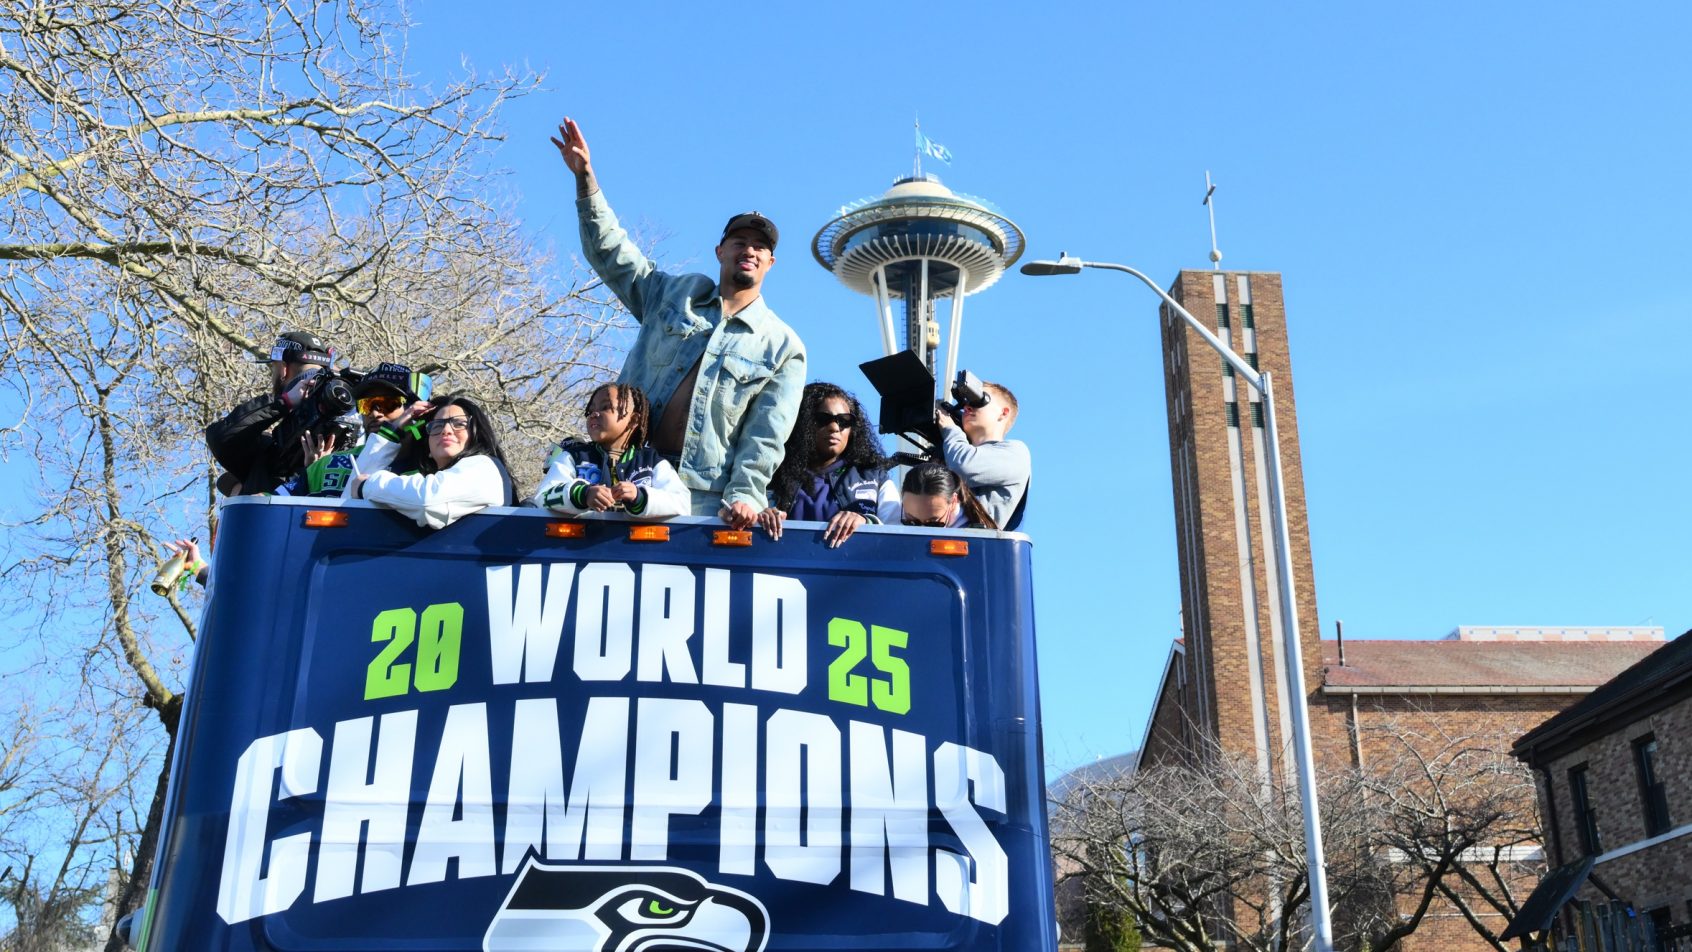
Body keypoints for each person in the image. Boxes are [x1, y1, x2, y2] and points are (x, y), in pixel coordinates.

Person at [552, 117, 805, 530]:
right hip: (623, 478)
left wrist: (744, 495)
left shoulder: (783, 346)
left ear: (771, 263)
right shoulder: (672, 294)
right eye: (740, 242)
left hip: (702, 501)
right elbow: (611, 253)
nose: (750, 250)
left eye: (761, 247)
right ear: (720, 251)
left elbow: (765, 437)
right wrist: (585, 180)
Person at [757, 382, 898, 547]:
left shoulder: (876, 477)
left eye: (844, 421)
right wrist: (759, 516)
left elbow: (899, 534)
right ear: (802, 422)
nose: (834, 428)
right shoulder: (770, 473)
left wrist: (866, 521)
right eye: (823, 419)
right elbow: (741, 512)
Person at [345, 395, 514, 529]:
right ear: (427, 444)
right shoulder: (421, 487)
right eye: (437, 426)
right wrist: (395, 427)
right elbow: (351, 496)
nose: (446, 430)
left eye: (459, 424)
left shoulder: (484, 468)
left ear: (476, 434)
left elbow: (428, 500)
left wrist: (367, 485)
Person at [205, 331, 341, 495]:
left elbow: (221, 436)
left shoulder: (263, 455)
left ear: (283, 369)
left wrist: (283, 402)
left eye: (273, 367)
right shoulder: (272, 446)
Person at [531, 383, 690, 519]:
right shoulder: (574, 456)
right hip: (579, 548)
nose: (594, 413)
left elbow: (682, 504)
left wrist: (639, 497)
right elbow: (542, 497)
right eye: (590, 410)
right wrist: (583, 494)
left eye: (606, 407)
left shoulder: (652, 462)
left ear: (633, 420)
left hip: (636, 549)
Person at [936, 379, 1029, 530]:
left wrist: (950, 429)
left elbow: (963, 466)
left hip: (977, 545)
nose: (967, 406)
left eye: (978, 399)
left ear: (1003, 413)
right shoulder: (952, 448)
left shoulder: (1016, 452)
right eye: (967, 402)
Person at [900, 463, 997, 530]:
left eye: (933, 524)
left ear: (953, 502)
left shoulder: (973, 540)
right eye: (911, 522)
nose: (920, 531)